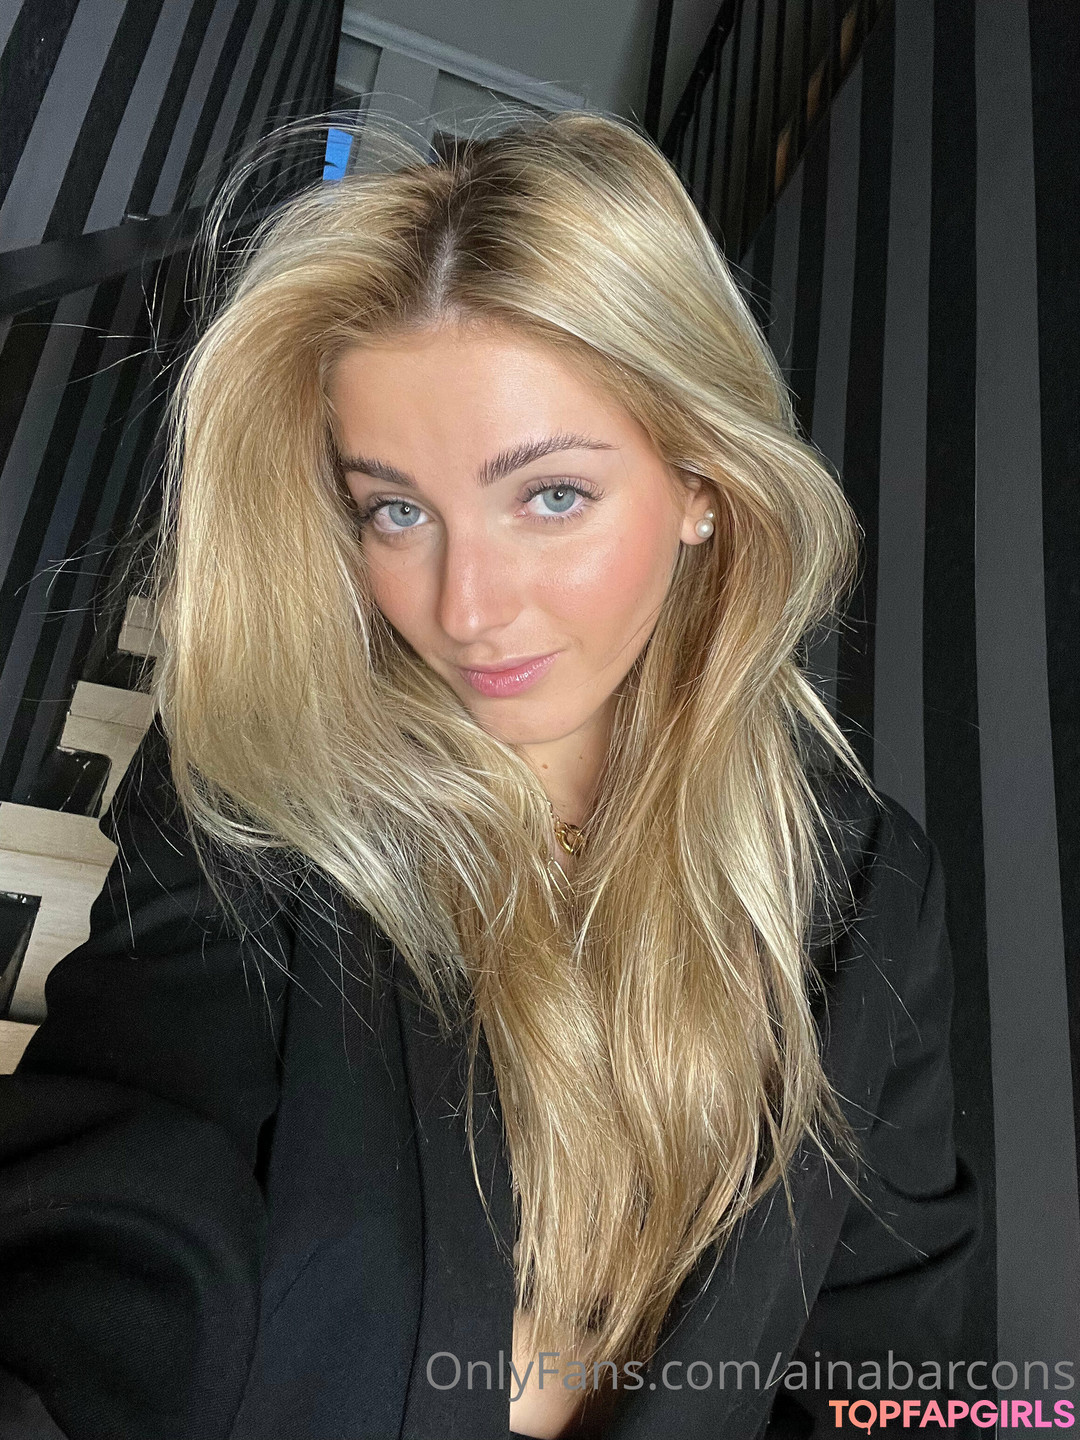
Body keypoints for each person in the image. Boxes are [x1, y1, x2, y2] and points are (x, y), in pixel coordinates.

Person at [0, 111, 981, 1440]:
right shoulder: (265, 774)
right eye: (396, 511)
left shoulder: (864, 890)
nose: (465, 609)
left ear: (703, 480)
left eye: (551, 496)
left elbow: (908, 1367)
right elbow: (120, 1192)